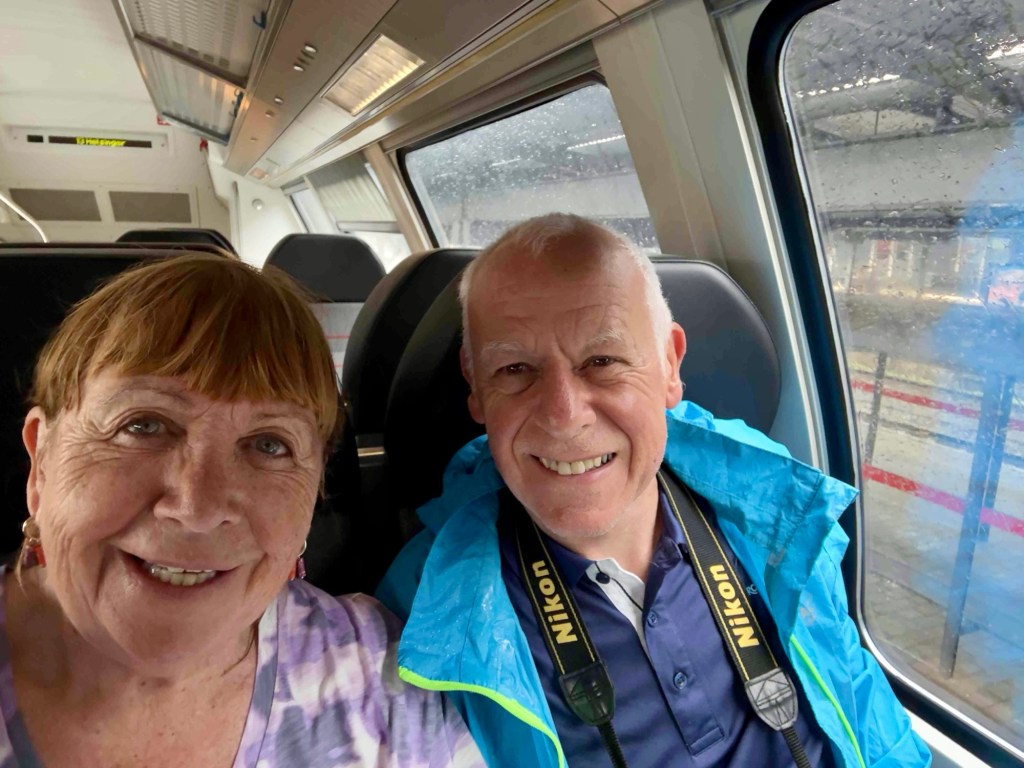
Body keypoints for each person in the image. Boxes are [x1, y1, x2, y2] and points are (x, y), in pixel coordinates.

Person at [378, 214, 931, 767]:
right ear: (476, 387)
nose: (564, 417)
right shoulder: (422, 614)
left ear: (669, 365)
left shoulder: (775, 515)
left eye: (602, 361)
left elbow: (871, 726)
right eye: (516, 368)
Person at [7, 253, 484, 767]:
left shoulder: (386, 683)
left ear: (313, 492)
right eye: (143, 425)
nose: (198, 508)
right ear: (42, 460)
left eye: (269, 445)